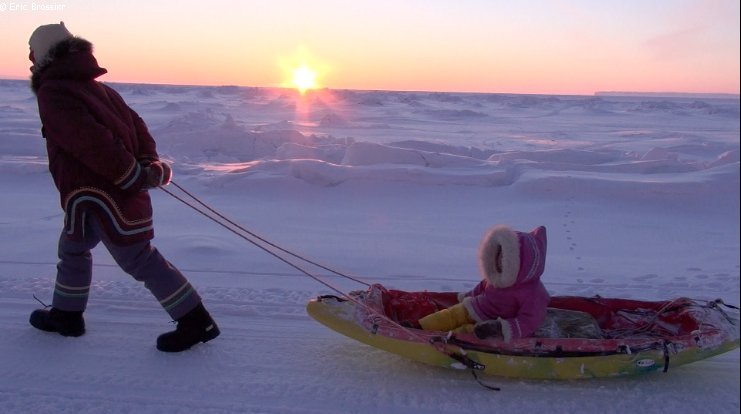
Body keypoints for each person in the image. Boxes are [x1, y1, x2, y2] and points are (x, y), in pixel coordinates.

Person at [27, 22, 220, 352]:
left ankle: (195, 321)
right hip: (91, 196)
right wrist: (147, 164)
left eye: (32, 52)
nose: (30, 60)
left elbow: (91, 143)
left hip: (104, 194)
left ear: (44, 53)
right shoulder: (100, 90)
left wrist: (133, 175)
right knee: (73, 248)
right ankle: (66, 314)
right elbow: (138, 128)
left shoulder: (55, 91)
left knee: (138, 259)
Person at [417, 225, 550, 342]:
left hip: (491, 325)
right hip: (476, 307)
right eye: (499, 255)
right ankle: (419, 327)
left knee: (467, 333)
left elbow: (529, 321)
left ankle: (439, 342)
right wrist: (467, 297)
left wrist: (500, 328)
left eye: (506, 259)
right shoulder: (497, 276)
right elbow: (482, 287)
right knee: (451, 315)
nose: (499, 261)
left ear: (522, 265)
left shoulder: (534, 293)